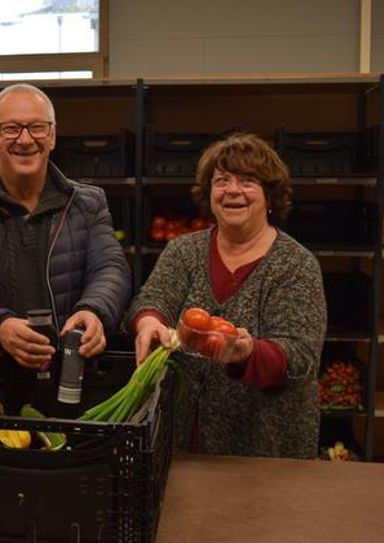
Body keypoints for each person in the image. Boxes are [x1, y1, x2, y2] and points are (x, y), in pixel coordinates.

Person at [0, 83, 131, 414]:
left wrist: (94, 309)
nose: (25, 139)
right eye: (11, 128)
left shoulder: (87, 203)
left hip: (70, 383)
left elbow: (110, 268)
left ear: (51, 136)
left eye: (37, 127)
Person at [126, 133, 326, 459]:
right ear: (210, 193)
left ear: (270, 196)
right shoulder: (184, 251)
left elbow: (300, 356)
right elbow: (155, 297)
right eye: (221, 181)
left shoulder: (296, 265)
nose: (232, 190)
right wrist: (149, 321)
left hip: (263, 448)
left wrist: (247, 353)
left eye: (248, 181)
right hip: (182, 441)